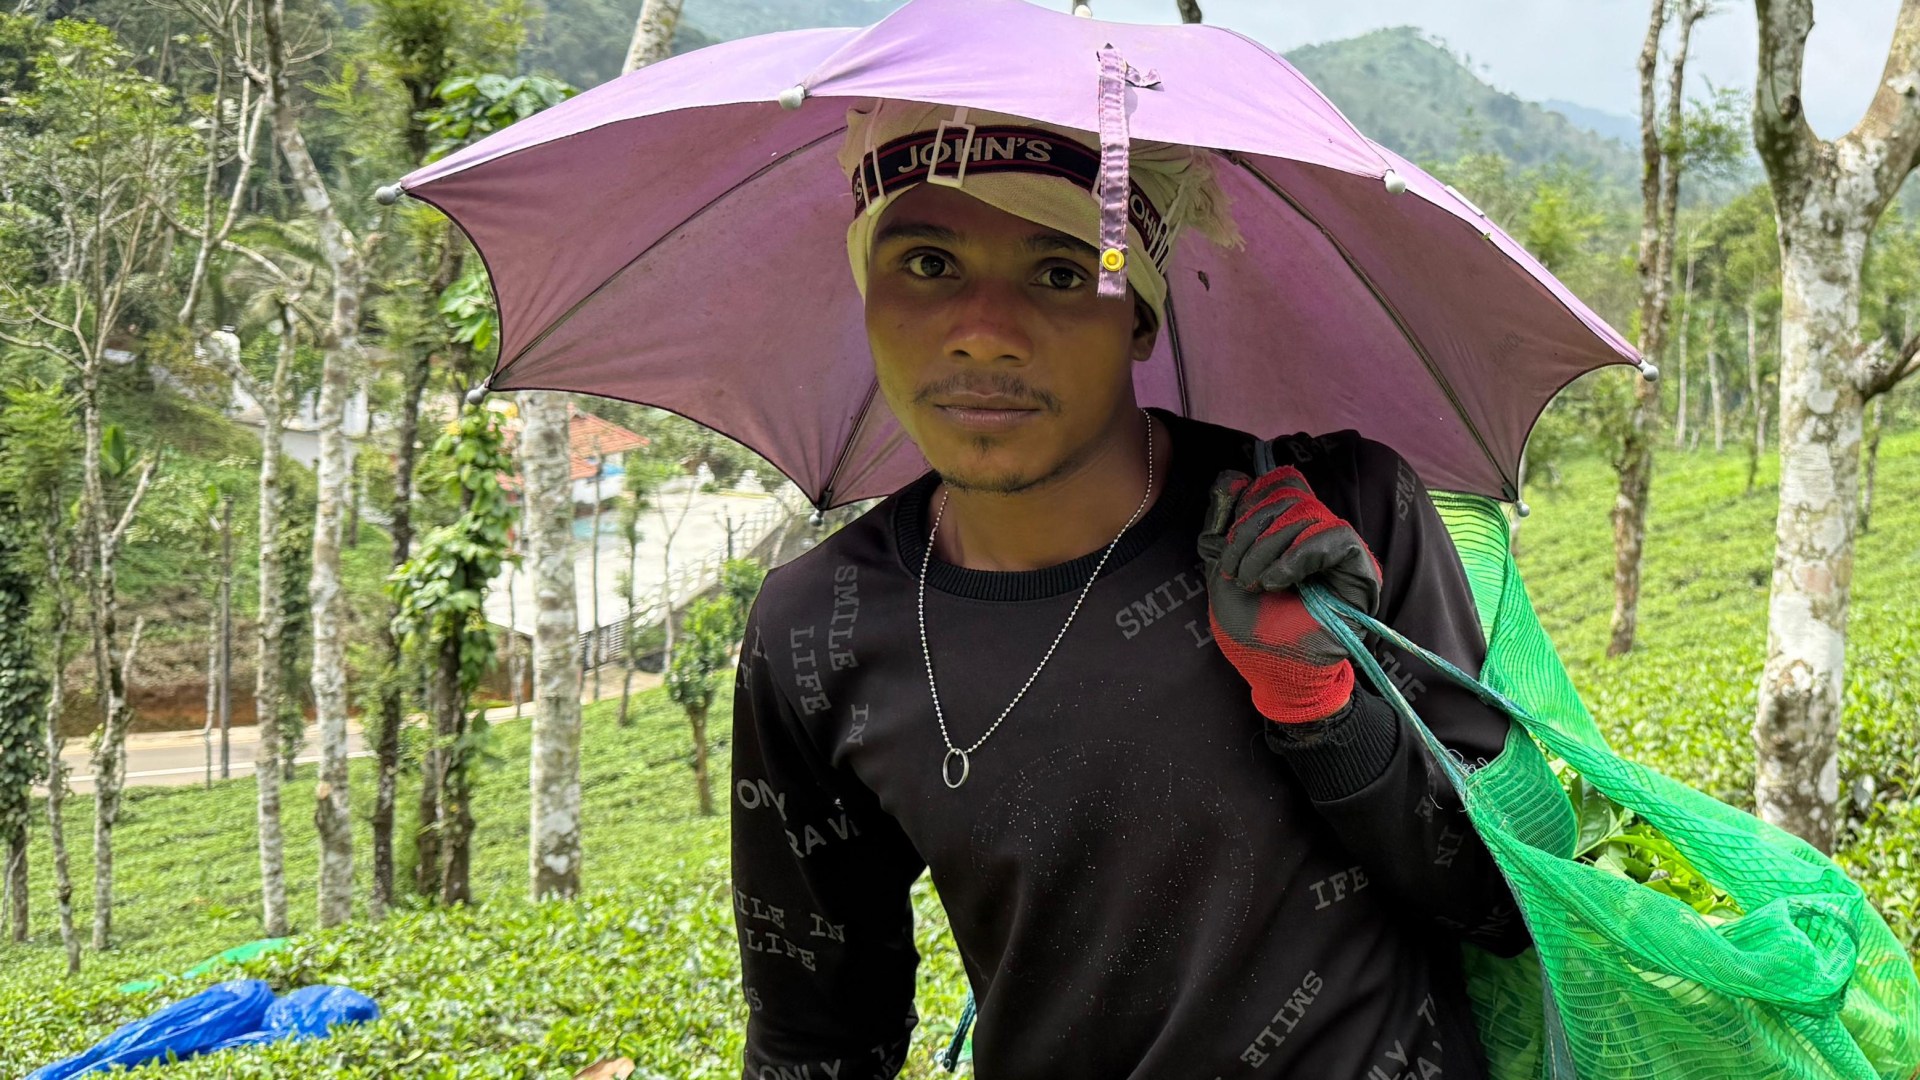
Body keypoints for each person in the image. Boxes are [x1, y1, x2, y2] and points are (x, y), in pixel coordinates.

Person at [729, 102, 1528, 1080]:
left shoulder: (1332, 511)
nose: (983, 335)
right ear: (868, 295)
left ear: (1139, 315)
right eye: (928, 265)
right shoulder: (815, 630)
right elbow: (816, 1038)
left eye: (1063, 273)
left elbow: (1505, 903)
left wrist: (1320, 707)